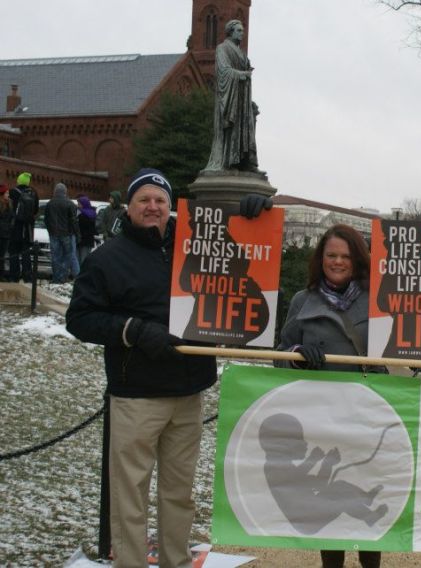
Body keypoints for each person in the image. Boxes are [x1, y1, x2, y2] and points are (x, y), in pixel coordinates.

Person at [66, 167, 272, 568]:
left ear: (169, 207)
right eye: (144, 199)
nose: (153, 207)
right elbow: (80, 318)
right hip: (136, 394)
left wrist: (254, 211)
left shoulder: (193, 246)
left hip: (188, 391)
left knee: (179, 494)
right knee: (130, 495)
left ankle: (176, 562)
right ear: (129, 206)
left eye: (160, 200)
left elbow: (242, 246)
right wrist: (135, 331)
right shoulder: (107, 258)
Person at [276, 224, 421, 567]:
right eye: (331, 255)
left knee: (370, 491)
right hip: (323, 416)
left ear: (358, 260)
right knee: (330, 497)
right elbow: (282, 351)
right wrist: (299, 353)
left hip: (370, 412)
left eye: (345, 256)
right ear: (321, 258)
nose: (338, 262)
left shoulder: (382, 298)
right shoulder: (303, 300)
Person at [205, 19, 260, 172]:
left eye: (243, 31)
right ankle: (230, 161)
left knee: (246, 127)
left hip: (242, 98)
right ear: (230, 31)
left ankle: (245, 161)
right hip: (230, 97)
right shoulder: (222, 48)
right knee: (232, 127)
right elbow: (223, 71)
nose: (242, 34)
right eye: (239, 30)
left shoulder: (241, 53)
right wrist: (242, 74)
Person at [43, 182, 80, 283]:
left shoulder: (50, 204)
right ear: (65, 192)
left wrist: (50, 230)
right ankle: (62, 277)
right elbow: (74, 221)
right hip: (67, 234)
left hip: (54, 233)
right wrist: (77, 234)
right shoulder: (70, 204)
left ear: (55, 191)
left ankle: (56, 278)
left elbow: (46, 220)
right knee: (68, 255)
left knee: (55, 256)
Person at [8, 172, 38, 282]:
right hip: (28, 229)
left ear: (18, 181)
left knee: (13, 252)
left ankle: (14, 276)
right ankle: (27, 276)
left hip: (15, 227)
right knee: (26, 252)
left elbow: (9, 210)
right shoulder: (33, 193)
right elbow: (35, 210)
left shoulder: (12, 192)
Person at [76, 195, 98, 266]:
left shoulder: (81, 215)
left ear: (84, 204)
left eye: (79, 204)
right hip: (87, 241)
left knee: (81, 260)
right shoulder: (92, 214)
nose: (78, 205)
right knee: (82, 260)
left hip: (83, 241)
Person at [0, 184, 12, 280]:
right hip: (1, 232)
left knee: (3, 255)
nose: (8, 194)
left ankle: (1, 274)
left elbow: (12, 217)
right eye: (7, 193)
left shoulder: (10, 204)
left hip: (6, 233)